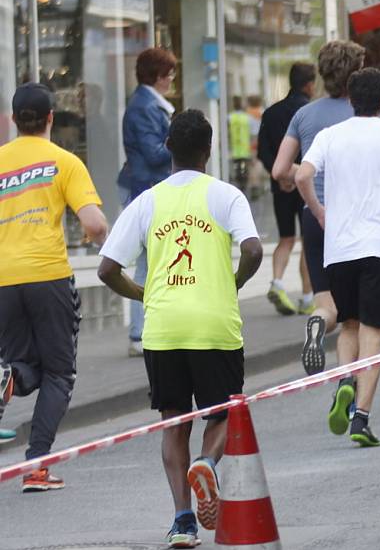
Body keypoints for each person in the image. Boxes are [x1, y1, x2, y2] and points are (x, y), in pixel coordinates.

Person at [97, 109, 262, 548]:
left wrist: (143, 294)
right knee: (223, 413)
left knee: (174, 423)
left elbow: (107, 268)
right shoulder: (226, 196)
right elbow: (252, 248)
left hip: (164, 327)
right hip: (214, 323)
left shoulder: (147, 201)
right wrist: (235, 282)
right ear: (209, 151)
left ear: (167, 147)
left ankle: (183, 520)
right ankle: (207, 463)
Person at [296, 68, 380, 447]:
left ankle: (344, 381)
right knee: (373, 330)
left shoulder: (329, 136)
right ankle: (361, 419)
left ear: (350, 99)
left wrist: (319, 210)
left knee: (348, 324)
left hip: (340, 246)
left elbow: (303, 176)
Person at [0, 83, 109, 492]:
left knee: (24, 365)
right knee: (60, 373)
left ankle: (7, 376)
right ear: (50, 118)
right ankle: (36, 467)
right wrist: (117, 250)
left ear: (13, 121)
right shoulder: (64, 162)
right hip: (47, 276)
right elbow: (95, 225)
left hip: (3, 280)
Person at [272, 40, 364, 375]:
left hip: (314, 215)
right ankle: (349, 383)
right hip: (353, 219)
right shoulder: (363, 115)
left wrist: (306, 172)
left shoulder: (304, 114)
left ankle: (317, 321)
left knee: (327, 303)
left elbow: (280, 170)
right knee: (353, 316)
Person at [118, 47, 178, 357]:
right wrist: (181, 137)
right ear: (156, 76)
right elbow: (155, 153)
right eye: (168, 74)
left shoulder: (148, 103)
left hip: (145, 187)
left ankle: (144, 330)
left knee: (150, 261)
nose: (171, 80)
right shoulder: (144, 106)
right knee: (147, 263)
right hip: (145, 188)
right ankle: (139, 333)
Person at [257, 62, 316, 316]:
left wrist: (279, 174)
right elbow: (313, 149)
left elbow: (263, 151)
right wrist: (296, 173)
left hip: (279, 184)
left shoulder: (270, 113)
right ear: (309, 84)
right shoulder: (309, 112)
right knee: (307, 240)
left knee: (285, 238)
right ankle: (306, 297)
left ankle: (277, 282)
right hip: (304, 183)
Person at [227, 96, 252, 196]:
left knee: (236, 168)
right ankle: (243, 185)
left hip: (234, 147)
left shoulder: (230, 117)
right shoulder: (246, 117)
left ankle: (238, 184)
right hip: (245, 147)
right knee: (245, 168)